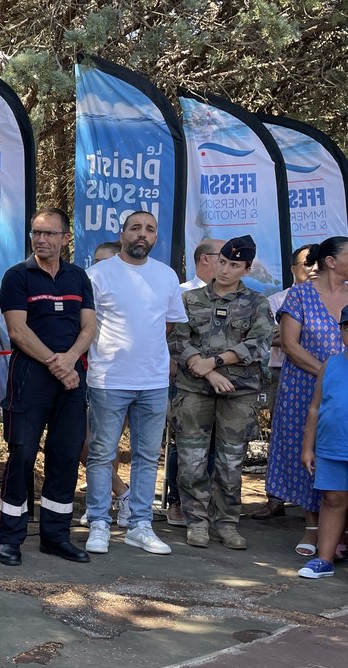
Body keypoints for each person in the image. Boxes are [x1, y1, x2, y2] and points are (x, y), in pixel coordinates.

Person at [84, 211, 186, 556]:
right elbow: (87, 326)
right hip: (109, 379)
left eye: (150, 229)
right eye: (136, 228)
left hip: (154, 381)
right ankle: (99, 522)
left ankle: (140, 525)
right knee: (101, 454)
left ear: (156, 237)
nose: (142, 234)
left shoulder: (167, 276)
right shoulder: (97, 275)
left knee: (146, 455)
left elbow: (168, 326)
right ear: (122, 233)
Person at [0, 208, 93, 566]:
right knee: (22, 454)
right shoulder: (17, 276)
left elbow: (89, 328)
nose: (42, 240)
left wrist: (71, 361)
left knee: (66, 456)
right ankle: (10, 537)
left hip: (71, 378)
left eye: (50, 234)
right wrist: (58, 363)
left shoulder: (78, 278)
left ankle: (55, 536)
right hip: (31, 376)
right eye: (37, 233)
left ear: (65, 238)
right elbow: (18, 332)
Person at [168, 236, 273, 549]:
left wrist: (214, 362)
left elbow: (258, 344)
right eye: (223, 262)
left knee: (230, 462)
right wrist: (209, 371)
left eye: (234, 265)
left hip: (238, 393)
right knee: (191, 459)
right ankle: (196, 522)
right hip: (194, 390)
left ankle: (226, 523)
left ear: (247, 268)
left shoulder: (257, 304)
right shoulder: (190, 300)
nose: (225, 269)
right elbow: (177, 341)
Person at [264, 236, 348, 556]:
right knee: (307, 453)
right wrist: (329, 374)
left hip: (345, 392)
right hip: (303, 387)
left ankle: (339, 530)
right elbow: (290, 345)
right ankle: (312, 528)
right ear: (330, 261)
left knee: (340, 454)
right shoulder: (299, 295)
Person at [251, 243, 317, 520]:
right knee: (283, 435)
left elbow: (285, 336)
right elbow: (269, 338)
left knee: (318, 437)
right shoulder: (277, 301)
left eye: (317, 264)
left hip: (325, 373)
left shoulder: (331, 298)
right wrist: (298, 336)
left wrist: (292, 334)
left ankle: (315, 500)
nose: (313, 270)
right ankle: (275, 498)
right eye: (306, 264)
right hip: (284, 374)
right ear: (293, 269)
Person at [164, 238, 226, 525]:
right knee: (186, 443)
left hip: (224, 382)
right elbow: (170, 334)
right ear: (205, 260)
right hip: (187, 381)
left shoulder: (233, 296)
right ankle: (178, 501)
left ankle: (208, 503)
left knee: (216, 445)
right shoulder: (182, 293)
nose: (226, 264)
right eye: (222, 257)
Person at [78, 240, 129, 527]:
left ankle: (118, 497)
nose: (99, 268)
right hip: (83, 378)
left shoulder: (126, 300)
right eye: (95, 261)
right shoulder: (83, 293)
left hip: (116, 380)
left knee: (98, 446)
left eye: (106, 262)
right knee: (89, 444)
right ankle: (112, 497)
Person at [297, 306, 348, 579]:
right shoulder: (330, 364)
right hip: (332, 446)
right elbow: (315, 407)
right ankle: (324, 558)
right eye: (347, 327)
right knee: (333, 499)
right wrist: (308, 447)